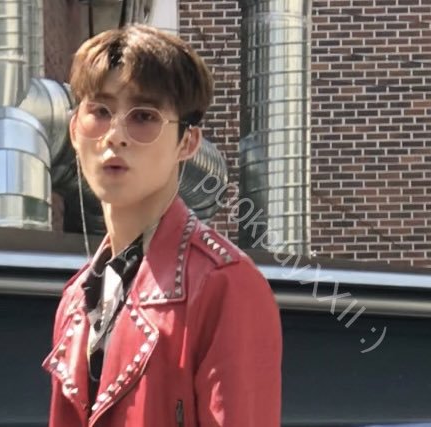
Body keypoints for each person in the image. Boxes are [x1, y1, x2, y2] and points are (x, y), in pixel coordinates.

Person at [42, 23, 283, 426]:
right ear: (74, 130)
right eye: (99, 112)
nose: (115, 136)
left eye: (144, 116)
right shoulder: (76, 300)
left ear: (187, 142)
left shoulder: (222, 284)